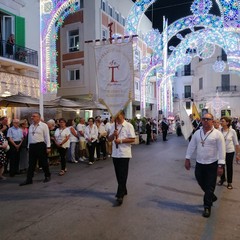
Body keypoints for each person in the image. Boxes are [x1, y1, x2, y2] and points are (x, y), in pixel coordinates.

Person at [185, 113, 226, 218]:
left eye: (208, 119)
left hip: (212, 163)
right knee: (200, 180)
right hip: (199, 163)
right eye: (204, 119)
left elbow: (222, 150)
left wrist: (221, 165)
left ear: (212, 121)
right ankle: (211, 196)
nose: (206, 121)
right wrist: (187, 158)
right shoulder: (197, 133)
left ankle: (207, 206)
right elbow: (191, 146)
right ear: (201, 121)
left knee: (209, 186)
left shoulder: (217, 134)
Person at [108, 110, 136, 206]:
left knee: (123, 173)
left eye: (118, 115)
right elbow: (109, 139)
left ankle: (120, 195)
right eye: (115, 115)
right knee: (118, 174)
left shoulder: (128, 126)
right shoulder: (113, 126)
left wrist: (120, 141)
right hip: (115, 154)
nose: (116, 117)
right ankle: (124, 189)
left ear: (122, 115)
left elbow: (132, 139)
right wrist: (113, 135)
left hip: (124, 153)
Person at [19, 112, 51, 186]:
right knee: (31, 163)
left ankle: (47, 175)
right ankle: (29, 179)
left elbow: (47, 136)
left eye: (34, 116)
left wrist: (48, 147)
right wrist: (28, 147)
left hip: (40, 145)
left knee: (43, 162)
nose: (32, 117)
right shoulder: (31, 126)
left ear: (38, 117)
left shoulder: (44, 125)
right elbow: (30, 137)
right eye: (32, 116)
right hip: (32, 146)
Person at [218, 116, 240, 189]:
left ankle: (229, 182)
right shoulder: (219, 130)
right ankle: (222, 178)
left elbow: (236, 143)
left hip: (230, 151)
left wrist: (237, 154)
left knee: (229, 167)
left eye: (222, 121)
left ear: (227, 123)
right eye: (220, 121)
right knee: (221, 166)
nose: (221, 122)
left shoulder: (232, 131)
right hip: (221, 151)